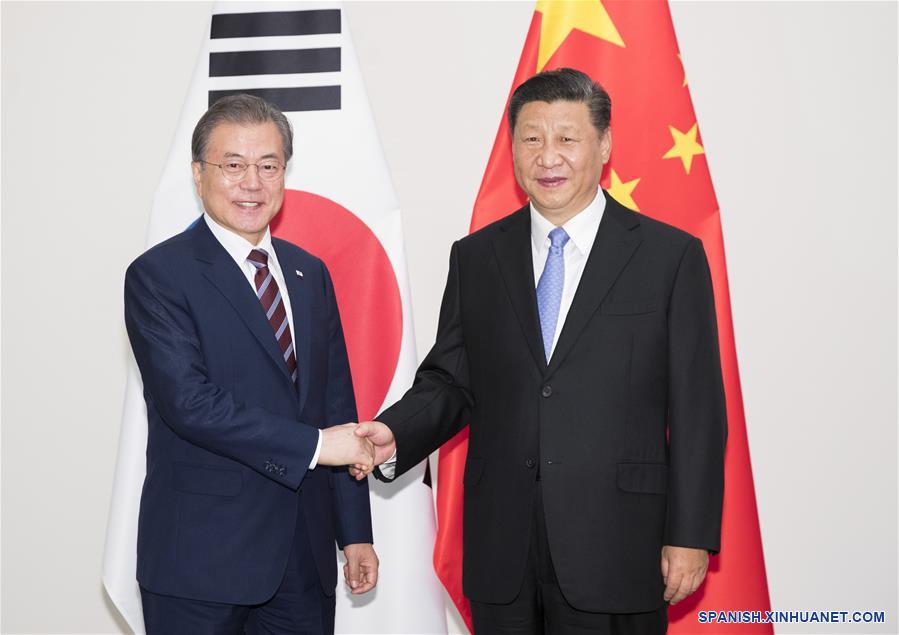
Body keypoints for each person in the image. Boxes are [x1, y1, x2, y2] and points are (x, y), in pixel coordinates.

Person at [353, 68, 727, 634]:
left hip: (620, 543)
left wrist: (690, 532)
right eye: (531, 139)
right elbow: (451, 380)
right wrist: (394, 433)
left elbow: (698, 409)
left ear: (603, 145)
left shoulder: (668, 257)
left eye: (566, 138)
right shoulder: (477, 257)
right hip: (504, 549)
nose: (547, 156)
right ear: (513, 150)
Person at [124, 94, 378, 634]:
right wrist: (315, 447)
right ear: (198, 174)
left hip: (304, 560)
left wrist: (355, 532)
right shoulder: (159, 275)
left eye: (269, 166)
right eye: (232, 165)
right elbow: (189, 404)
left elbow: (337, 403)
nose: (252, 183)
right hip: (200, 561)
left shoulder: (310, 273)